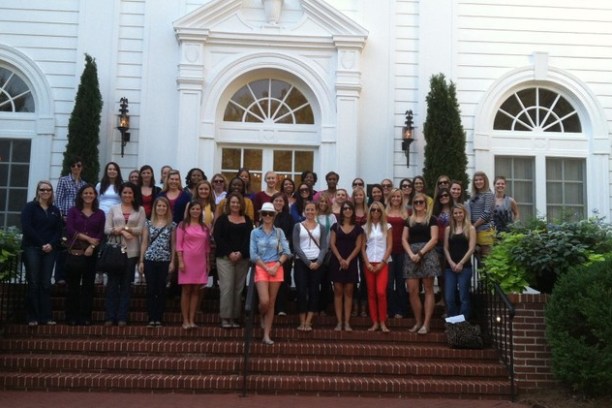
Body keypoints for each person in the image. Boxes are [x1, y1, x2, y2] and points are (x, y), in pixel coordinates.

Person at [21, 181, 63, 326]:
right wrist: (41, 244)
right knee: (34, 282)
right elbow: (27, 228)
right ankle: (32, 316)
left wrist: (51, 244)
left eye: (48, 190)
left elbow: (58, 231)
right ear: (38, 191)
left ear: (52, 192)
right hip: (32, 248)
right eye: (42, 189)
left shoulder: (55, 210)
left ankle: (46, 316)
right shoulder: (30, 207)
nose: (45, 192)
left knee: (45, 283)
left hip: (50, 250)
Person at [104, 182, 146, 326]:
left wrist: (124, 227)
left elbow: (140, 229)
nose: (127, 195)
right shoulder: (113, 209)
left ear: (134, 195)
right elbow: (107, 229)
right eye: (125, 193)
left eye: (130, 193)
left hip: (131, 251)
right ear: (120, 194)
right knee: (112, 284)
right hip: (115, 250)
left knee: (126, 284)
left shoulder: (140, 210)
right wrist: (122, 231)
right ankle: (110, 316)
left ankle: (122, 316)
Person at [250, 202, 291, 345]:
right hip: (261, 266)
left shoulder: (279, 232)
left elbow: (287, 251)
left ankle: (266, 334)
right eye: (265, 213)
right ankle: (261, 313)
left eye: (270, 214)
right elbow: (253, 254)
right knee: (264, 301)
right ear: (260, 215)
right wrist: (266, 268)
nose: (267, 216)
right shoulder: (255, 232)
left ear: (274, 216)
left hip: (276, 267)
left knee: (272, 302)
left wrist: (277, 265)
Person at [64, 184, 105, 326]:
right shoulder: (73, 211)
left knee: (88, 285)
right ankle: (71, 316)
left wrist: (92, 246)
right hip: (75, 251)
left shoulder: (100, 213)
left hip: (91, 253)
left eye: (91, 193)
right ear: (81, 195)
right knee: (73, 285)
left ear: (95, 195)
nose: (88, 195)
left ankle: (85, 316)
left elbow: (100, 233)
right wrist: (88, 239)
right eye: (86, 193)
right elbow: (69, 230)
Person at [213, 192, 253, 329]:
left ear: (241, 204)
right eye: (233, 202)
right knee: (227, 287)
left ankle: (235, 318)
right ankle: (225, 317)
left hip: (242, 259)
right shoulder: (222, 220)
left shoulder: (247, 220)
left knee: (238, 288)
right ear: (228, 204)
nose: (235, 205)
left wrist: (241, 253)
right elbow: (218, 237)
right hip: (225, 258)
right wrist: (230, 253)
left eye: (237, 202)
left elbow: (249, 239)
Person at [402, 192, 439, 335]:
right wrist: (412, 254)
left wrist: (421, 253)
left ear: (426, 204)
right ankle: (418, 322)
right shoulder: (409, 220)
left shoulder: (432, 219)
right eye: (416, 202)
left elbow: (434, 239)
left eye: (421, 202)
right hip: (411, 255)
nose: (418, 205)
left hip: (427, 253)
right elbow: (404, 239)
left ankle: (426, 324)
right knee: (412, 290)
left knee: (429, 289)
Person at [138, 196, 176, 327]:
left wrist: (172, 262)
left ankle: (158, 317)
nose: (161, 208)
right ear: (155, 207)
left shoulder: (172, 225)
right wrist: (141, 261)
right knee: (151, 289)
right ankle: (151, 317)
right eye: (159, 206)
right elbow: (144, 243)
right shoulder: (147, 223)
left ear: (167, 208)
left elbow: (173, 245)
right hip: (149, 259)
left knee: (161, 289)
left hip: (164, 260)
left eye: (164, 206)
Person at [292, 201, 327, 331]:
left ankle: (308, 321)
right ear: (304, 211)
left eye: (312, 210)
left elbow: (324, 246)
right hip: (302, 262)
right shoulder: (298, 226)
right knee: (301, 291)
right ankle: (301, 321)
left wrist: (318, 262)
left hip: (317, 262)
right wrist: (308, 262)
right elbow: (296, 246)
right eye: (308, 210)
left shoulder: (321, 227)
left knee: (314, 291)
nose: (310, 212)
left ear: (316, 211)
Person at [329, 201, 363, 332]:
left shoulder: (358, 228)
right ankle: (339, 322)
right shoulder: (335, 226)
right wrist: (340, 259)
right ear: (342, 211)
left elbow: (359, 246)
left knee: (349, 292)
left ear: (353, 211)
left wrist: (348, 260)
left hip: (351, 262)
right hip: (337, 261)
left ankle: (347, 322)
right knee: (338, 291)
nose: (347, 210)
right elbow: (332, 244)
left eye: (350, 208)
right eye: (345, 208)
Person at [176, 200, 211, 329]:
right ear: (189, 210)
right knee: (186, 290)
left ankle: (192, 319)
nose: (195, 211)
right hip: (186, 261)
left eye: (198, 209)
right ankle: (185, 320)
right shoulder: (182, 225)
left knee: (196, 291)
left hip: (200, 261)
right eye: (193, 209)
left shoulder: (204, 227)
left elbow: (207, 247)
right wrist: (180, 261)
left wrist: (207, 262)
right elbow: (179, 245)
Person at [54, 156, 88, 285]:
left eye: (78, 166)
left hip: (78, 220)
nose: (76, 168)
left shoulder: (84, 184)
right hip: (65, 219)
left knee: (75, 248)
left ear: (82, 168)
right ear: (70, 167)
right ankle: (60, 276)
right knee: (63, 248)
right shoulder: (63, 180)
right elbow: (59, 199)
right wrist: (62, 215)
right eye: (73, 166)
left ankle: (71, 276)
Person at [361, 200, 392, 332]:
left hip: (382, 262)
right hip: (369, 262)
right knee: (371, 293)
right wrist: (367, 263)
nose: (375, 212)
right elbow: (362, 247)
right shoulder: (365, 227)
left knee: (380, 292)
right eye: (373, 210)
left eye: (378, 210)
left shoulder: (387, 226)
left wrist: (382, 262)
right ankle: (374, 322)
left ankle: (383, 321)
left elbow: (390, 246)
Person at [444, 204, 476, 320]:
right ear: (452, 215)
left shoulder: (470, 228)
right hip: (450, 268)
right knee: (449, 297)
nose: (458, 215)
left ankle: (463, 322)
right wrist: (451, 262)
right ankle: (453, 322)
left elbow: (471, 248)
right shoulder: (448, 229)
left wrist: (461, 263)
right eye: (455, 213)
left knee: (464, 297)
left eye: (460, 212)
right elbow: (445, 248)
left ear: (464, 213)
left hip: (465, 267)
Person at [385, 188, 409, 319]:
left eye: (398, 197)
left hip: (402, 252)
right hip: (388, 251)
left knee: (400, 282)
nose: (396, 199)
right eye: (393, 196)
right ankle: (390, 309)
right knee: (388, 283)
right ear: (390, 198)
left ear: (401, 198)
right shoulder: (384, 213)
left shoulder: (406, 213)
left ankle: (402, 309)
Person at [271, 192, 295, 316]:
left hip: (284, 254)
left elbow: (291, 235)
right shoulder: (267, 216)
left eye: (281, 201)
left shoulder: (289, 218)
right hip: (268, 255)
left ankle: (281, 308)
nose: (278, 203)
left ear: (284, 203)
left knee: (283, 280)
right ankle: (269, 307)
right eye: (276, 201)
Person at [315, 192, 336, 315]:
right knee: (314, 281)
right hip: (314, 252)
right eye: (321, 201)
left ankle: (322, 307)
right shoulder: (313, 214)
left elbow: (333, 234)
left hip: (327, 252)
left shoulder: (331, 217)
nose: (323, 204)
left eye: (325, 202)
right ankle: (313, 307)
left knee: (325, 281)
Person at [469, 171, 495, 258]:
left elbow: (487, 213)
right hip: (475, 231)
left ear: (485, 181)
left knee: (486, 260)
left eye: (480, 179)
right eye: (476, 180)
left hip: (485, 230)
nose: (478, 182)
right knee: (477, 260)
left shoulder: (488, 194)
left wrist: (473, 226)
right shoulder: (475, 195)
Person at [351, 186, 368, 317]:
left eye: (360, 195)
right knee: (353, 278)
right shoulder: (349, 211)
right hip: (351, 247)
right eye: (356, 195)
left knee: (364, 278)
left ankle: (363, 306)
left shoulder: (369, 211)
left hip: (367, 248)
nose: (358, 197)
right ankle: (354, 305)